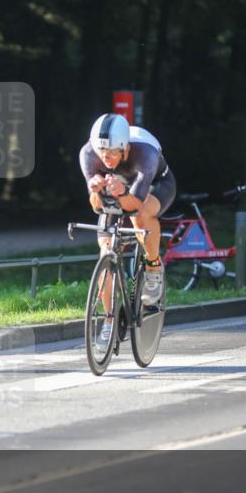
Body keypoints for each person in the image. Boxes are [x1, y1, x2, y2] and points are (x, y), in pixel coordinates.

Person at [80, 114, 177, 339]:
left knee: (140, 216)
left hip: (155, 187)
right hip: (119, 190)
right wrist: (94, 190)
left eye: (113, 152)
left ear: (126, 148)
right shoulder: (88, 154)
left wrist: (122, 192)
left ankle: (153, 267)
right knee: (105, 251)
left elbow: (134, 205)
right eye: (102, 152)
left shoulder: (146, 155)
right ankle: (109, 319)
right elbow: (97, 207)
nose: (107, 158)